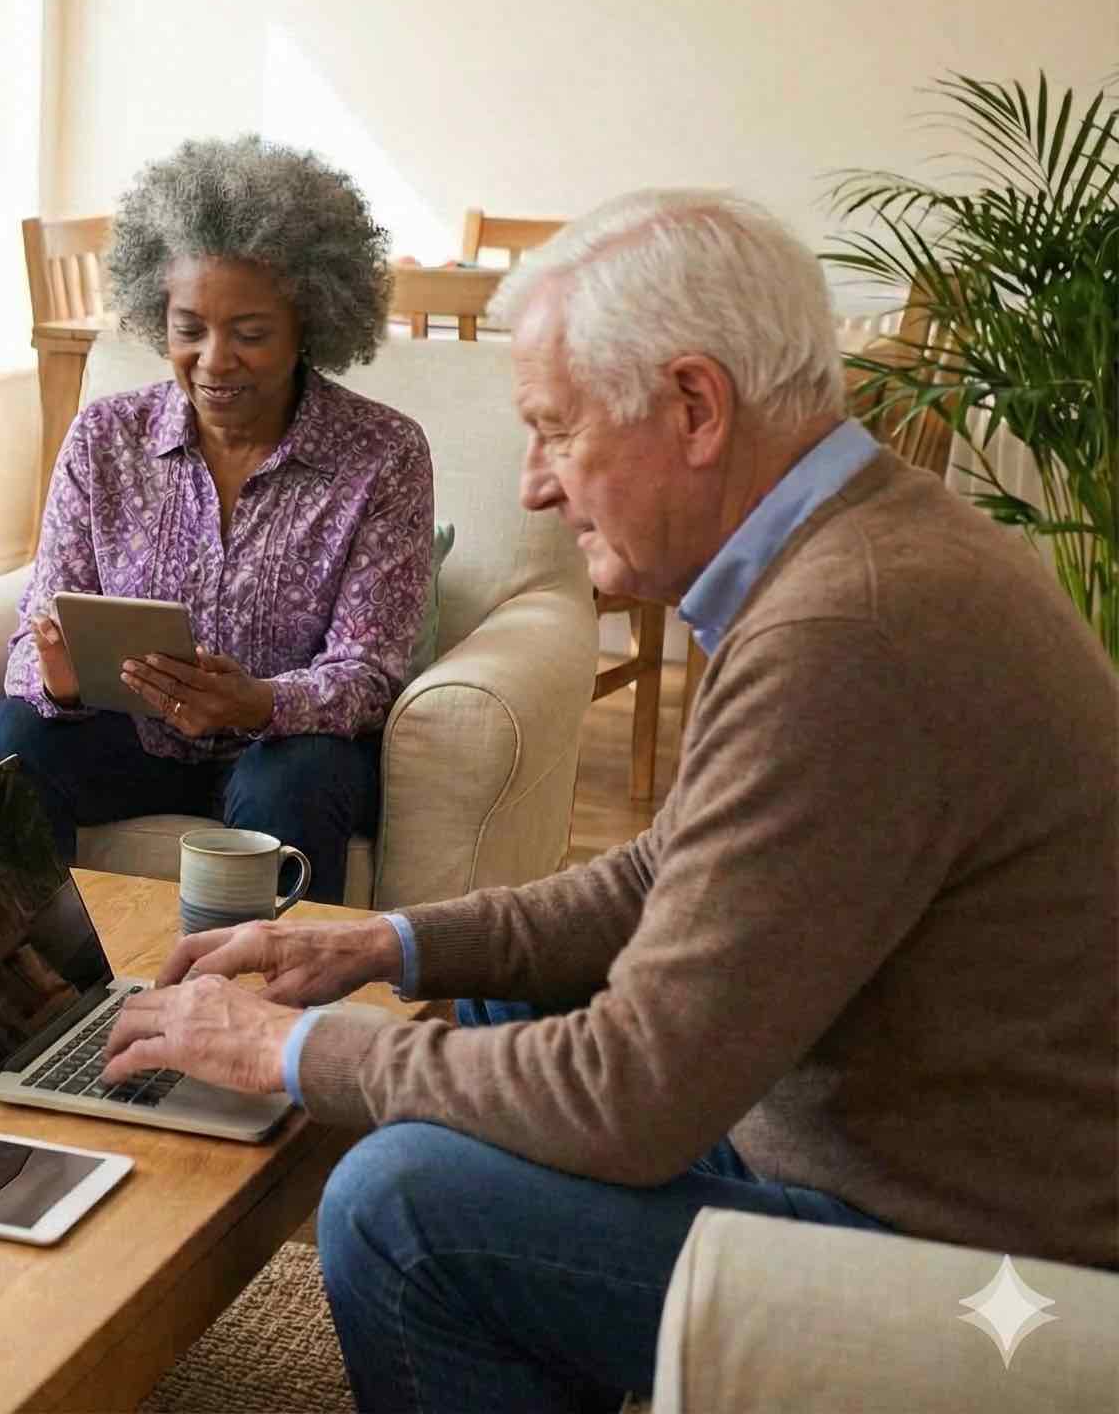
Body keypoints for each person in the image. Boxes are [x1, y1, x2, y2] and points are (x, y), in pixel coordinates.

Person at [95, 190, 1119, 1411]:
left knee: (400, 1209)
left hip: (976, 1269)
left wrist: (296, 1046)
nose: (532, 486)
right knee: (478, 998)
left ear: (693, 406)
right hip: (891, 1154)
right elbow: (664, 876)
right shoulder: (853, 548)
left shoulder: (847, 629)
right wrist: (386, 943)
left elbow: (629, 1096)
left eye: (552, 430)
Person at [0, 137, 432, 905]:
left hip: (288, 749)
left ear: (308, 323)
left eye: (250, 334)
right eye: (190, 329)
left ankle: (260, 1017)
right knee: (2, 741)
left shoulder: (384, 454)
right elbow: (33, 632)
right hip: (133, 742)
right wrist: (63, 687)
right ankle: (33, 993)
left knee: (295, 781)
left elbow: (370, 672)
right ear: (157, 316)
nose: (215, 361)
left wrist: (263, 703)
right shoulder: (105, 437)